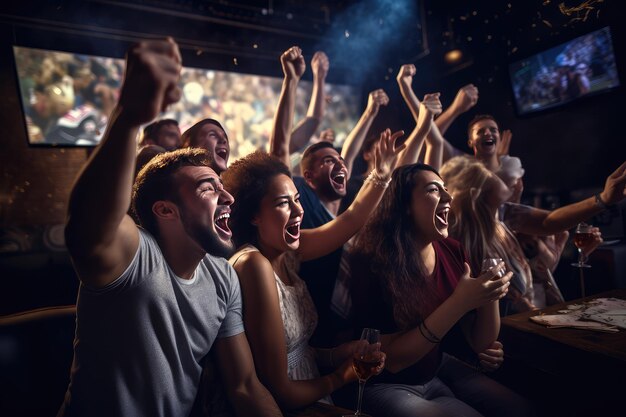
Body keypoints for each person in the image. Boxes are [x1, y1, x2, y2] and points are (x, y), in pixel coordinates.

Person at [59, 37, 281, 417]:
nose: (228, 199)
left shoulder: (223, 278)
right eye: (209, 188)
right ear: (165, 210)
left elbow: (245, 387)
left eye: (223, 188)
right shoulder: (135, 255)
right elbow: (87, 230)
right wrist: (128, 116)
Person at [220, 126, 401, 411]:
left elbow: (350, 220)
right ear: (253, 215)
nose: (298, 211)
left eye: (297, 199)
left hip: (312, 387)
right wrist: (341, 375)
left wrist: (336, 354)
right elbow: (279, 390)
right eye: (283, 203)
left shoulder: (287, 253)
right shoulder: (253, 264)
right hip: (291, 405)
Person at [348, 163, 531, 417]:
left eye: (446, 189)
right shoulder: (373, 262)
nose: (448, 196)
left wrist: (489, 295)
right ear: (405, 206)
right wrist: (460, 302)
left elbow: (482, 342)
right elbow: (393, 361)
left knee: (520, 408)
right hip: (385, 384)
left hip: (436, 370)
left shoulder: (453, 250)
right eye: (434, 190)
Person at [269, 46, 390, 347]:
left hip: (354, 336)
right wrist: (291, 81)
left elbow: (346, 156)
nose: (339, 164)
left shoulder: (350, 201)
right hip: (314, 339)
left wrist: (371, 112)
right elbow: (280, 145)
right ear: (307, 177)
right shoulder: (302, 200)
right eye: (326, 161)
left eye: (340, 161)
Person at [441, 155, 625, 314]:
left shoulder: (500, 216)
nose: (506, 209)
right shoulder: (456, 245)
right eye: (498, 204)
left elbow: (548, 222)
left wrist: (603, 199)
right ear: (474, 204)